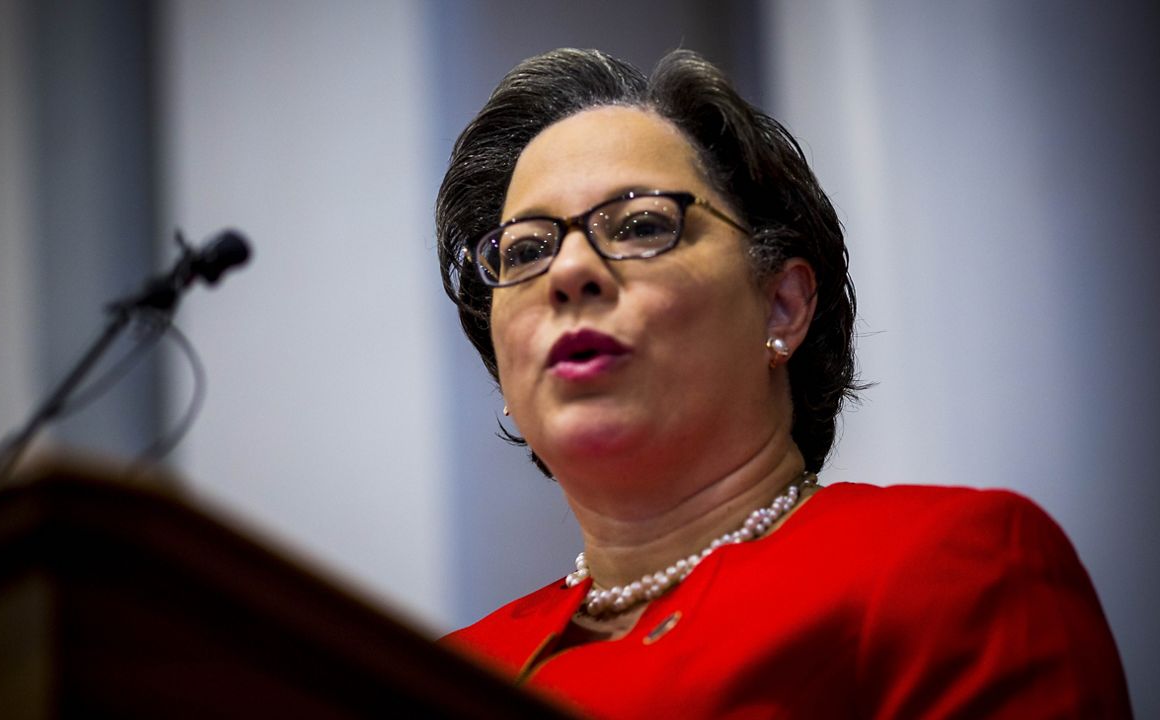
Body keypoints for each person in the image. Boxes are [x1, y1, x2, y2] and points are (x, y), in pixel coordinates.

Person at [435, 48, 1131, 718]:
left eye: (641, 225)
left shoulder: (952, 571)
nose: (567, 272)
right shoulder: (432, 669)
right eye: (526, 250)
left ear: (783, 306)